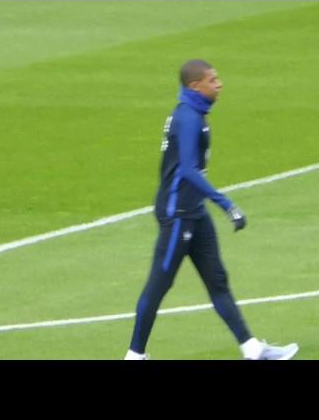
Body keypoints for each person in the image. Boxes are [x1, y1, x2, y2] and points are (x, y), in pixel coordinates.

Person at [124, 60, 299, 360]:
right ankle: (134, 356)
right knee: (158, 285)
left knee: (217, 280)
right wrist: (226, 204)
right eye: (213, 79)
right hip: (178, 214)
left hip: (194, 211)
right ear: (196, 86)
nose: (219, 84)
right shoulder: (189, 118)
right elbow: (189, 170)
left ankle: (252, 348)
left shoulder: (193, 113)